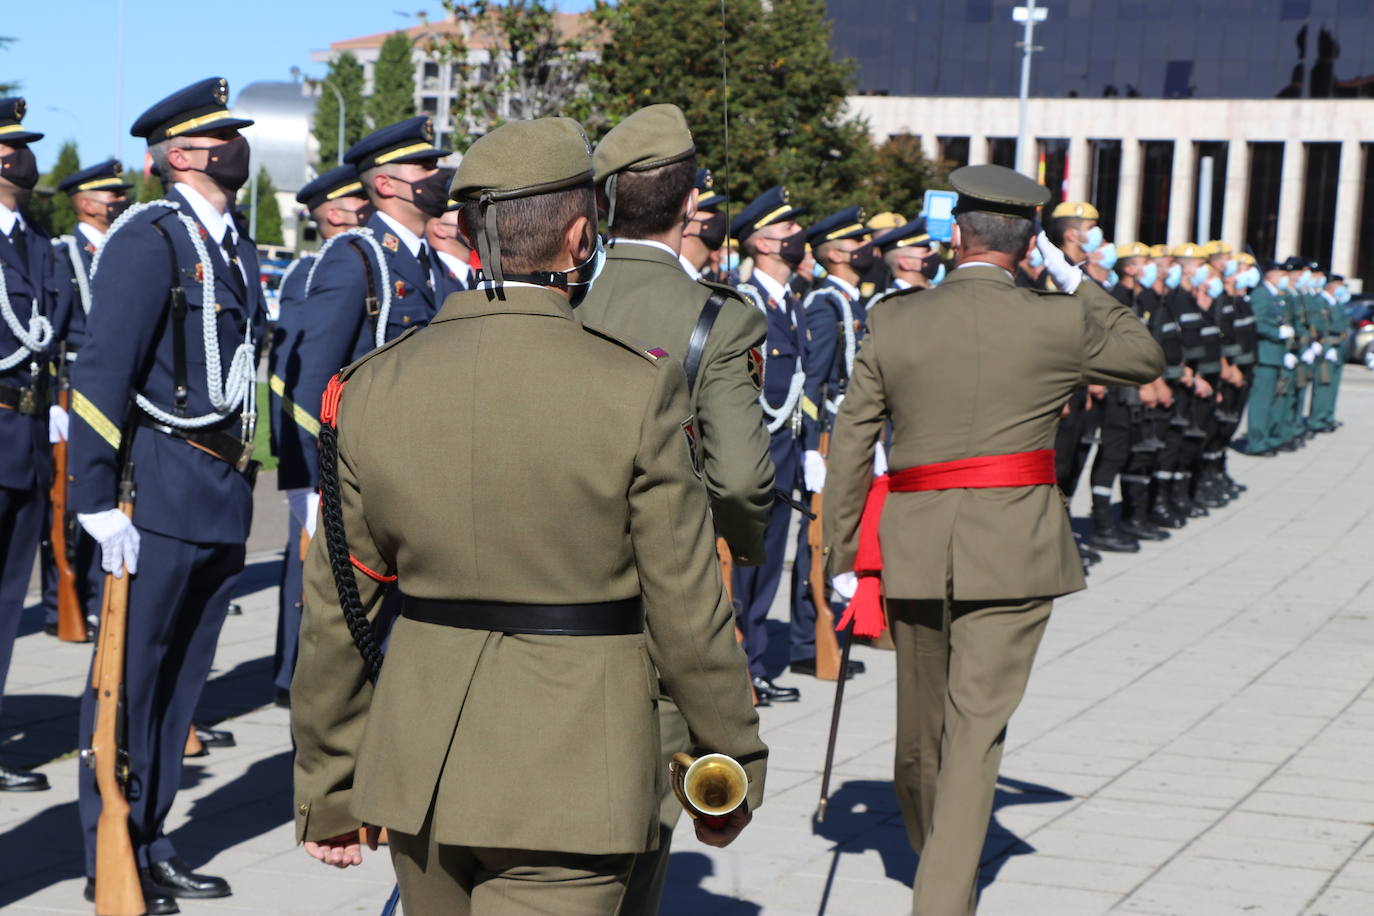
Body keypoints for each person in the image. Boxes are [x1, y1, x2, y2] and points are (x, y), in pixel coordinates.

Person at [291, 115, 767, 916]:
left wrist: (330, 783)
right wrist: (725, 762)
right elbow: (686, 609)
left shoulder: (370, 387)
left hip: (421, 771)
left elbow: (341, 605)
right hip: (575, 775)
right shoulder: (635, 388)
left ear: (474, 237)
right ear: (583, 236)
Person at [824, 164, 1163, 915]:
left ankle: (937, 862)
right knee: (974, 733)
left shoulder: (896, 318)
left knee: (920, 733)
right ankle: (945, 890)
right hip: (1014, 548)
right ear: (1029, 241)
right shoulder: (1058, 317)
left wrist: (841, 557)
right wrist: (1072, 277)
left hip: (913, 543)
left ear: (955, 234)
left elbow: (851, 443)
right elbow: (1142, 354)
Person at [68, 77, 265, 911]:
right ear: (181, 155)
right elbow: (103, 368)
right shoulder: (151, 237)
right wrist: (94, 497)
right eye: (221, 137)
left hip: (219, 487)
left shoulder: (234, 244)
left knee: (181, 685)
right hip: (161, 484)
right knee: (130, 682)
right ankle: (107, 851)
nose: (238, 147)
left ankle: (152, 834)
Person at [578, 100, 773, 916]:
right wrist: (743, 544)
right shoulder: (716, 319)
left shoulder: (558, 297)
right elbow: (738, 483)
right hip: (657, 608)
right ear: (692, 200)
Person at [272, 115, 453, 647]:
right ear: (385, 184)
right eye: (422, 166)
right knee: (348, 639)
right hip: (357, 486)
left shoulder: (428, 264)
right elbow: (308, 383)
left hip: (409, 481)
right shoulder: (355, 258)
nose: (435, 174)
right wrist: (307, 490)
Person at [267, 163, 368, 706]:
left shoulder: (351, 261)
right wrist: (300, 467)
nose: (367, 210)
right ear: (333, 212)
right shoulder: (316, 271)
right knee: (303, 569)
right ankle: (289, 673)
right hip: (317, 445)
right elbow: (295, 372)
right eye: (358, 203)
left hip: (326, 444)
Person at [39, 159, 132, 640]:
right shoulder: (64, 253)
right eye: (109, 196)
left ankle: (99, 596)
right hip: (73, 391)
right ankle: (62, 604)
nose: (119, 202)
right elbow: (49, 331)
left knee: (108, 497)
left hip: (114, 393)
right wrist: (55, 400)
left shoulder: (121, 249)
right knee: (64, 508)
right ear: (85, 203)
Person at [731, 184, 812, 703]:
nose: (795, 237)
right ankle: (741, 665)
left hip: (787, 450)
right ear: (760, 243)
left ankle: (756, 663)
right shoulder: (746, 302)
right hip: (756, 451)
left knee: (767, 566)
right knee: (744, 568)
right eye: (785, 230)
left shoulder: (792, 303)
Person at [0, 97, 54, 792]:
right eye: (9, 147)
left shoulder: (37, 244)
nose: (20, 156)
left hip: (30, 440)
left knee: (9, 602)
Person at [680, 167, 729, 281]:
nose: (718, 215)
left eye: (715, 209)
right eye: (708, 209)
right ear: (682, 222)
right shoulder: (673, 277)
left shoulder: (696, 279)